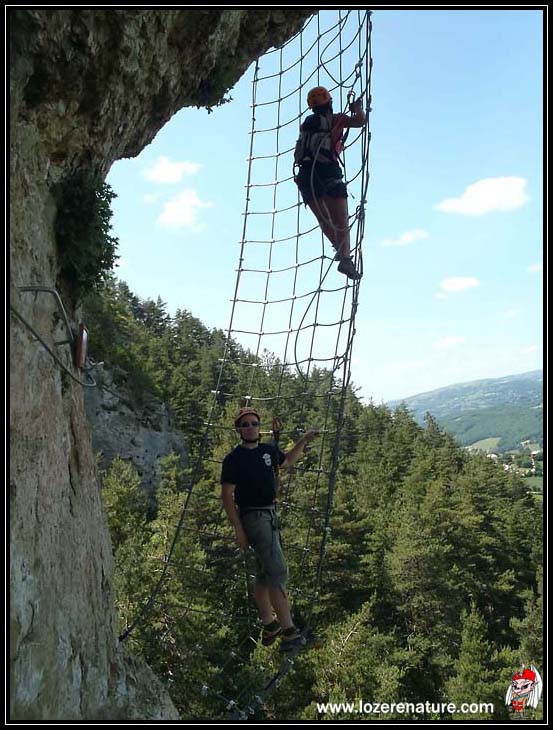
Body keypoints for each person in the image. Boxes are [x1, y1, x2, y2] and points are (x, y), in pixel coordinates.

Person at [221, 407, 319, 650]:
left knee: (265, 575)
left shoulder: (268, 450)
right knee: (278, 572)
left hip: (269, 514)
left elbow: (286, 462)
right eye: (245, 425)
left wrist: (304, 440)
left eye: (254, 423)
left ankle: (269, 623)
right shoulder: (234, 459)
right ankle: (289, 632)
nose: (251, 427)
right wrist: (239, 530)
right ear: (239, 430)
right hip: (253, 516)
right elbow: (226, 495)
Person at [294, 85, 366, 281]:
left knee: (325, 219)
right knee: (341, 220)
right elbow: (360, 122)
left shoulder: (306, 125)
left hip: (306, 175)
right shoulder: (336, 120)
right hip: (328, 171)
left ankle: (341, 253)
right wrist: (357, 108)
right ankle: (345, 258)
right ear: (330, 103)